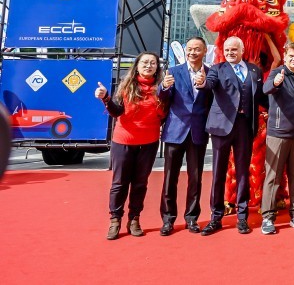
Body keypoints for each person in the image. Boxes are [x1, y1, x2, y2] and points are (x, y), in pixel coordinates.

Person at [195, 36, 266, 236]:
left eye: (234, 49)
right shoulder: (217, 69)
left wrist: (278, 105)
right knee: (219, 172)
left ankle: (242, 217)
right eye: (227, 50)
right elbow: (209, 84)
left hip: (245, 126)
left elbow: (261, 96)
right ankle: (216, 217)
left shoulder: (254, 70)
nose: (230, 53)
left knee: (243, 171)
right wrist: (202, 82)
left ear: (242, 51)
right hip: (222, 126)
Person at [95, 52, 167, 240]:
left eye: (152, 63)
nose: (149, 65)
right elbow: (117, 111)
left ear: (157, 68)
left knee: (140, 183)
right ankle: (115, 220)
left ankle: (134, 219)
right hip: (124, 141)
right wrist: (106, 98)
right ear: (137, 65)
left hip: (149, 143)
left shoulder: (162, 89)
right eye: (145, 62)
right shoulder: (126, 85)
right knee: (119, 183)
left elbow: (165, 115)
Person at [156, 37, 212, 235]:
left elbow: (214, 99)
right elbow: (163, 97)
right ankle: (168, 219)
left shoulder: (211, 73)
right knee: (170, 178)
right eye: (189, 49)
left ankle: (192, 218)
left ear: (204, 51)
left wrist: (206, 85)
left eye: (197, 49)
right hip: (175, 131)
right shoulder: (173, 71)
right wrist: (164, 87)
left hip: (198, 131)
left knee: (195, 178)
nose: (192, 52)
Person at [260, 42, 294, 235]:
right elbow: (266, 89)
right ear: (285, 55)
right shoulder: (277, 73)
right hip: (278, 134)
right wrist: (275, 82)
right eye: (291, 56)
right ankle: (268, 217)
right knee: (273, 176)